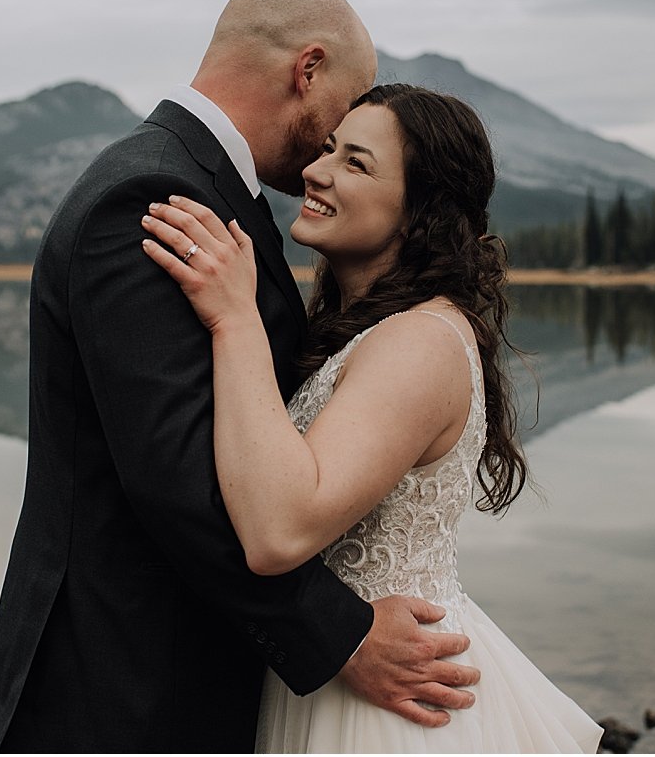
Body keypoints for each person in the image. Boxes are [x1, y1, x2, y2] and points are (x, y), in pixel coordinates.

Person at [0, 0, 480, 754]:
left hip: (176, 682)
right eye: (344, 113)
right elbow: (182, 481)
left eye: (359, 156)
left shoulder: (209, 190)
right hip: (120, 692)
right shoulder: (154, 196)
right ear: (306, 72)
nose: (325, 157)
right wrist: (339, 635)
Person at [141, 83, 605, 752]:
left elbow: (278, 532)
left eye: (356, 163)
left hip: (395, 707)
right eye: (328, 149)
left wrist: (233, 316)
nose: (316, 171)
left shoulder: (419, 342)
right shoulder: (371, 330)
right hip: (341, 675)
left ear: (421, 211)